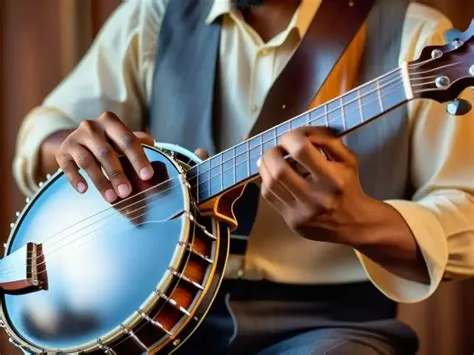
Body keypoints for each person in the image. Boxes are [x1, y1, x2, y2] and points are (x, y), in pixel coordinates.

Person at [12, 0, 474, 354]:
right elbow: (45, 128)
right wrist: (73, 147)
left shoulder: (416, 36)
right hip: (154, 313)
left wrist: (361, 221)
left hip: (330, 325)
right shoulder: (155, 14)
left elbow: (467, 218)